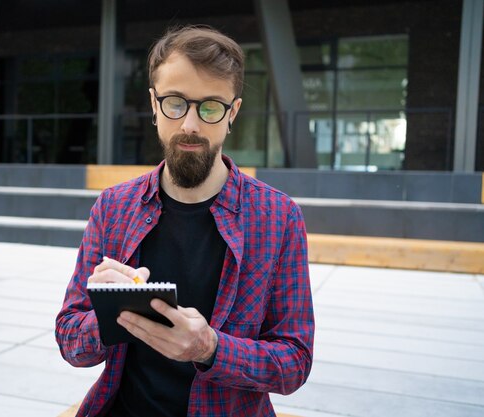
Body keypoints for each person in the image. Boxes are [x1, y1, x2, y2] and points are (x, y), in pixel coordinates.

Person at [56, 25, 314, 417]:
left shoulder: (278, 218)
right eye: (175, 103)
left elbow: (294, 363)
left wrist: (210, 348)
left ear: (234, 113)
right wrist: (110, 316)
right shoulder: (114, 207)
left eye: (210, 106)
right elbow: (70, 340)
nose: (190, 125)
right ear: (154, 106)